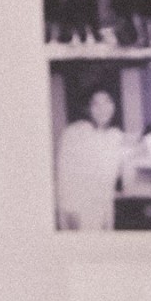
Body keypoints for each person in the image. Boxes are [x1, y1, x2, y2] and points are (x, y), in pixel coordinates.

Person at [55, 86, 129, 231]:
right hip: (80, 207)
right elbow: (64, 176)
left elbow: (122, 165)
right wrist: (69, 212)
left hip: (105, 205)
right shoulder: (74, 133)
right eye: (96, 104)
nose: (103, 108)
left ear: (114, 105)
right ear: (88, 108)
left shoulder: (115, 136)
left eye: (107, 102)